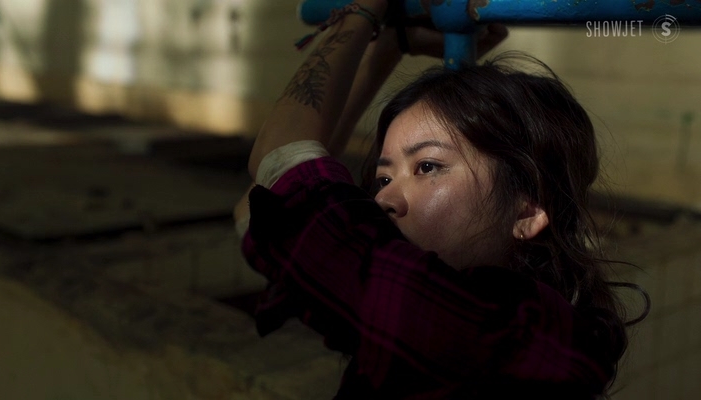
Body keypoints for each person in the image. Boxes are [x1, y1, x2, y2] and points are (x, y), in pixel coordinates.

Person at [234, 0, 646, 398]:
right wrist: (390, 47)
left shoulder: (486, 330)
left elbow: (279, 160)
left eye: (428, 167)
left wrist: (364, 10)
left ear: (528, 209)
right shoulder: (521, 326)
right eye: (383, 178)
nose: (384, 199)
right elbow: (262, 204)